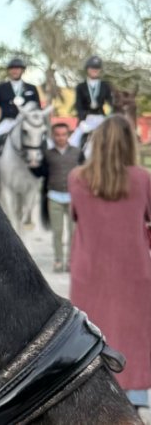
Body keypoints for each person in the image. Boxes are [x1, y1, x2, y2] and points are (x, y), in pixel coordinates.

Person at [68, 115, 151, 417]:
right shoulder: (142, 178)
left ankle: (93, 397)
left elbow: (77, 216)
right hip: (133, 270)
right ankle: (136, 399)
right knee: (134, 336)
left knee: (92, 335)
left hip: (89, 271)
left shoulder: (77, 178)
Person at [0, 57, 42, 166]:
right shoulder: (0, 88)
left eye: (18, 68)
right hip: (7, 122)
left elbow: (38, 109)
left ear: (23, 70)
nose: (15, 71)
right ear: (9, 70)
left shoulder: (31, 88)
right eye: (12, 68)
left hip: (26, 123)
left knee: (47, 145)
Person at [45, 122, 82, 272]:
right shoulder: (48, 154)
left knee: (73, 232)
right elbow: (41, 172)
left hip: (73, 197)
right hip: (54, 196)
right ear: (53, 136)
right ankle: (58, 260)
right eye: (57, 135)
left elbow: (85, 172)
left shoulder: (77, 152)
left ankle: (71, 261)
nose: (61, 138)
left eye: (64, 134)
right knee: (57, 231)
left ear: (68, 135)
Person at [70, 55, 115, 149]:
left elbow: (111, 103)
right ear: (87, 69)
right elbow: (79, 105)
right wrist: (82, 120)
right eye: (92, 68)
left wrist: (110, 116)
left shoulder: (105, 86)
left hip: (101, 118)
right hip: (86, 119)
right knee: (72, 142)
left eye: (97, 68)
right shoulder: (81, 87)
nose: (95, 70)